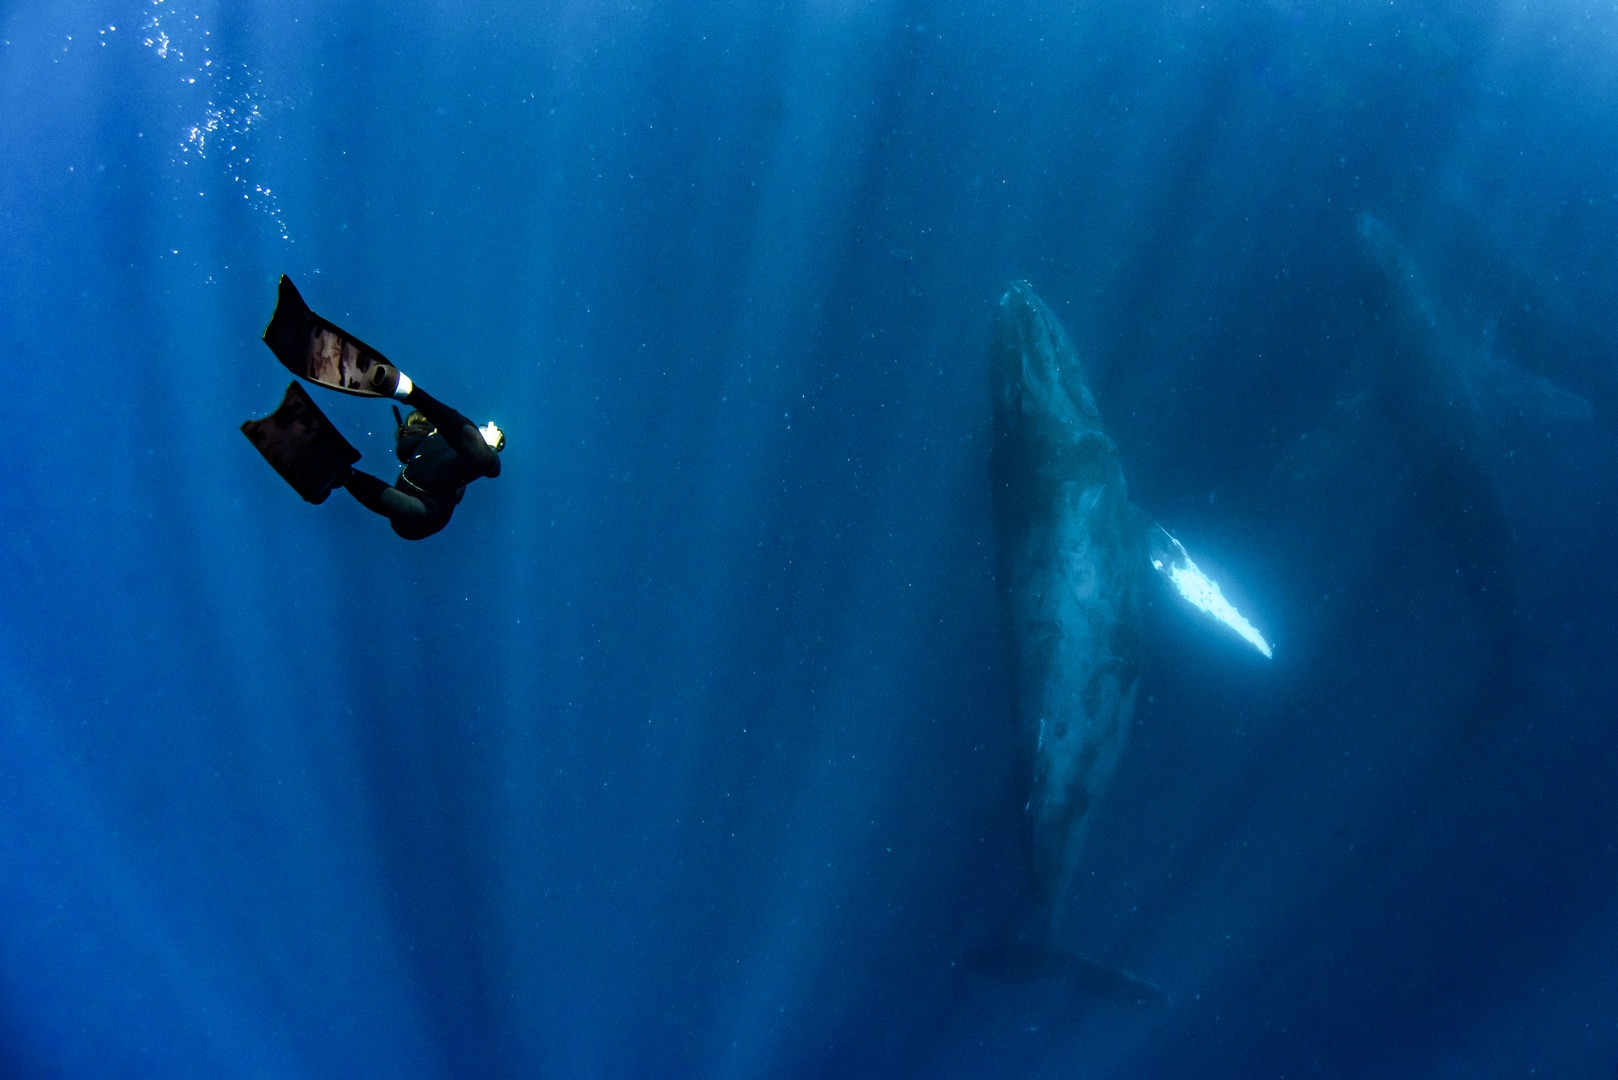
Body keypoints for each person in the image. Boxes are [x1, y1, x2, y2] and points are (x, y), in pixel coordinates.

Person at [336, 363, 504, 540]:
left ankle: (343, 472)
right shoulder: (429, 440)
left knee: (483, 460)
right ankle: (343, 472)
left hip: (425, 505)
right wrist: (490, 444)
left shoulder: (433, 439)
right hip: (425, 505)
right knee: (487, 462)